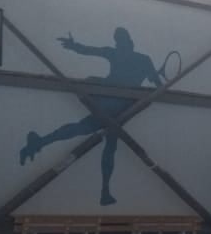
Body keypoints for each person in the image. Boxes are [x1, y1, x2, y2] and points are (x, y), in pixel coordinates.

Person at [18, 27, 165, 205]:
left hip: (108, 104)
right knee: (102, 141)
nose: (120, 45)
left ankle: (39, 143)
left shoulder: (117, 53)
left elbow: (88, 50)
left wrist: (73, 46)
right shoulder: (143, 59)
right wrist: (153, 78)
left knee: (84, 130)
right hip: (121, 108)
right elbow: (157, 86)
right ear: (129, 42)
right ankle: (104, 191)